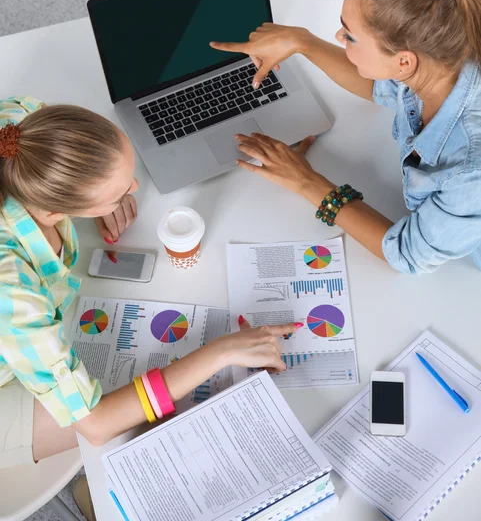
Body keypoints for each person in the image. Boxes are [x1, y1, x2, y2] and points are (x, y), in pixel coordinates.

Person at [0, 96, 299, 478]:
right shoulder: (12, 288)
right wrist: (220, 353)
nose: (136, 187)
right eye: (120, 191)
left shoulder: (18, 126)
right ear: (55, 211)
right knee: (124, 425)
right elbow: (97, 423)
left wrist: (99, 192)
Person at [211, 0, 481, 275]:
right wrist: (302, 41)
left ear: (404, 61)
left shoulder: (470, 171)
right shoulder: (441, 55)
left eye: (350, 36)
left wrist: (306, 182)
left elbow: (408, 254)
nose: (339, 36)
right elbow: (379, 85)